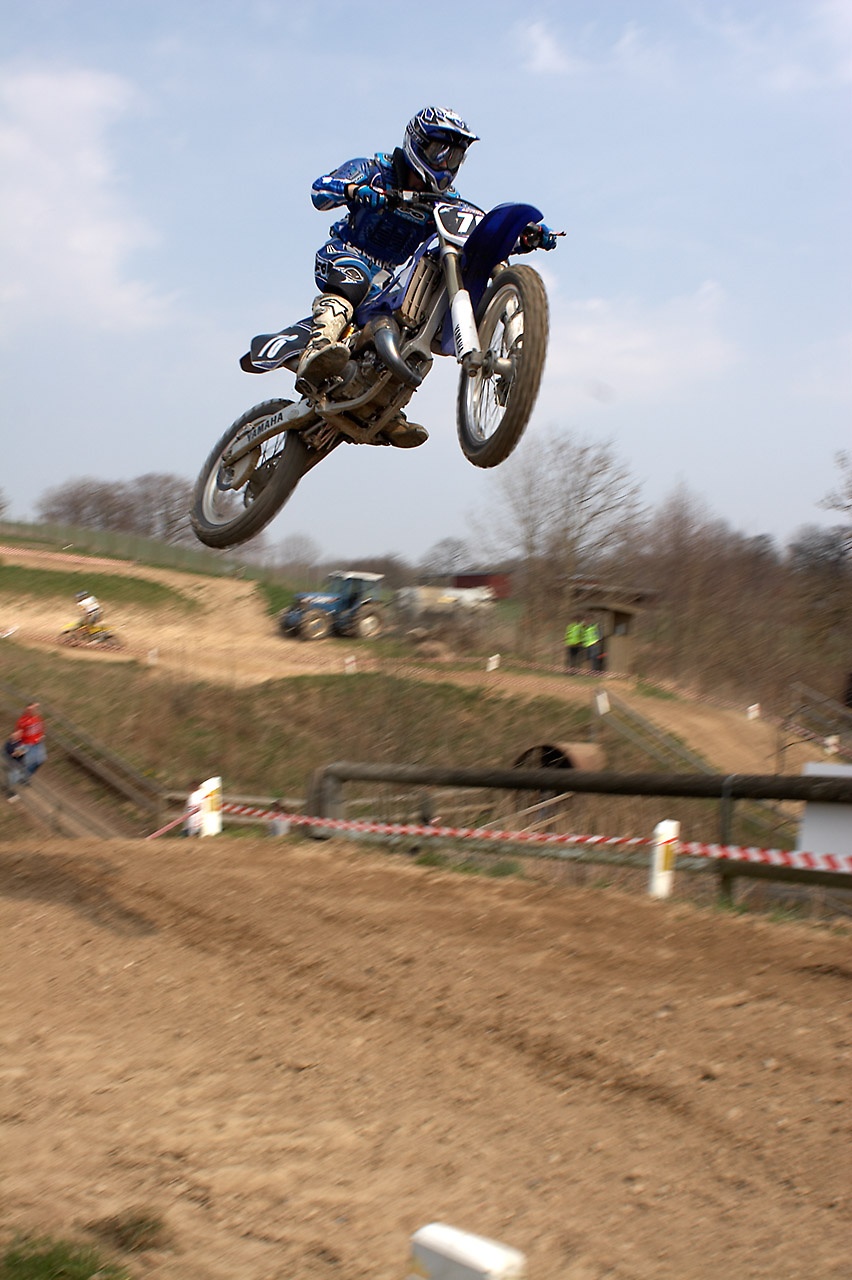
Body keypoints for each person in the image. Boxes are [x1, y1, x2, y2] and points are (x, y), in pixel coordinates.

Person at [297, 105, 557, 445]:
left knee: (414, 326)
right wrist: (355, 191)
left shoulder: (445, 201)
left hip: (387, 277)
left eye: (455, 156)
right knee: (353, 279)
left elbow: (470, 233)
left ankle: (386, 406)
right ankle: (317, 351)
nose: (446, 163)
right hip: (347, 253)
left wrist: (522, 236)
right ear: (418, 144)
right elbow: (320, 189)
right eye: (440, 151)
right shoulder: (374, 171)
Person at [14, 700, 46, 780]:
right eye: (30, 710)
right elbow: (18, 734)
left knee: (40, 760)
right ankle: (14, 778)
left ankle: (25, 776)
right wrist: (21, 747)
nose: (34, 711)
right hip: (27, 744)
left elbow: (40, 728)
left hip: (38, 743)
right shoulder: (23, 720)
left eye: (35, 709)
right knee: (28, 762)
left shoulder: (38, 718)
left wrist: (42, 735)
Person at [4, 729, 27, 802]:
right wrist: (15, 753)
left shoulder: (21, 744)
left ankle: (10, 793)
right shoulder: (9, 742)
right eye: (14, 734)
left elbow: (21, 752)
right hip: (10, 763)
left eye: (16, 735)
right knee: (9, 778)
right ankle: (8, 791)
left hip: (17, 765)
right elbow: (8, 751)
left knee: (13, 779)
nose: (13, 735)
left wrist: (17, 753)